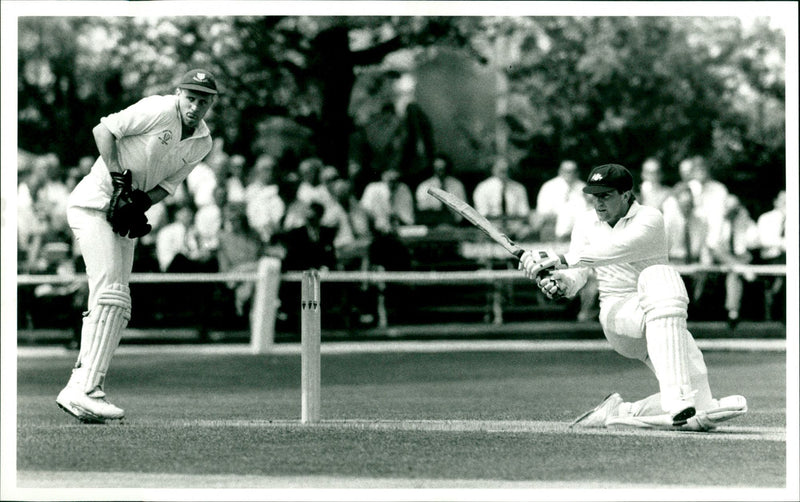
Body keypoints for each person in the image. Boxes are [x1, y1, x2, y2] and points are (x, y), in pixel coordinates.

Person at [518, 163, 747, 431]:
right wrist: (561, 283)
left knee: (701, 403)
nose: (598, 203)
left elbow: (617, 249)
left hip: (662, 315)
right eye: (594, 196)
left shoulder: (651, 218)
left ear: (626, 194)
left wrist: (559, 259)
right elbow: (579, 274)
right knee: (663, 278)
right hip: (619, 315)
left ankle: (623, 411)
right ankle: (678, 401)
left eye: (605, 196)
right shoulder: (586, 221)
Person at [56, 68, 219, 423]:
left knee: (120, 304)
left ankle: (86, 386)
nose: (194, 106)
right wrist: (118, 180)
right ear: (179, 94)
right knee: (109, 294)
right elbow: (104, 129)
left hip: (121, 215)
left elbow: (169, 186)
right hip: (92, 204)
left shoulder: (203, 142)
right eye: (190, 98)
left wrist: (139, 202)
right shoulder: (160, 109)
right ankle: (82, 390)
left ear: (211, 104)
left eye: (203, 101)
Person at [707, 194, 759, 330]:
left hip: (734, 261)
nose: (732, 213)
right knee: (723, 255)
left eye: (735, 210)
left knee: (734, 274)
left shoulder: (743, 218)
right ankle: (740, 268)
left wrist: (744, 224)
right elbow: (712, 245)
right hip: (716, 259)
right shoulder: (716, 218)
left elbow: (752, 242)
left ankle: (733, 312)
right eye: (729, 209)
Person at [473, 156, 530, 237]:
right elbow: (482, 215)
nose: (504, 172)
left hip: (515, 232)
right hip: (490, 232)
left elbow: (523, 214)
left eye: (506, 170)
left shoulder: (519, 188)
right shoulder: (483, 188)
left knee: (527, 231)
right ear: (493, 169)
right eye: (501, 170)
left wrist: (513, 229)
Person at [534, 159, 586, 241]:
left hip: (578, 224)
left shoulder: (583, 187)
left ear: (577, 173)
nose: (570, 174)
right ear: (560, 171)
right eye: (567, 171)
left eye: (573, 171)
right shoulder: (549, 186)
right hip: (553, 223)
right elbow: (542, 211)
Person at [756, 190, 786, 321]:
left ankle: (776, 291)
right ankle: (775, 291)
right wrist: (782, 244)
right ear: (776, 202)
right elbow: (763, 240)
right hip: (768, 260)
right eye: (783, 201)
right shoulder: (766, 218)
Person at [414, 153, 467, 226]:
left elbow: (463, 209)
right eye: (437, 168)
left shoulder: (457, 185)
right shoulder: (424, 186)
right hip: (431, 224)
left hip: (454, 224)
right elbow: (422, 209)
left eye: (443, 168)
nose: (440, 171)